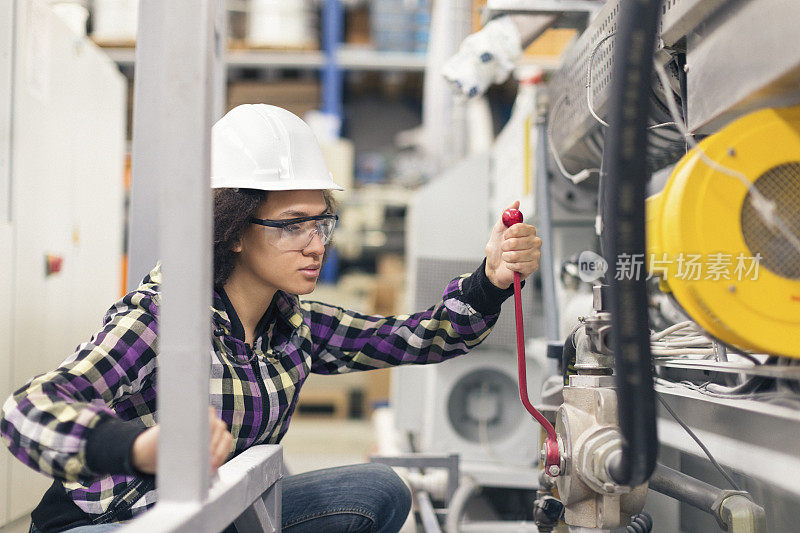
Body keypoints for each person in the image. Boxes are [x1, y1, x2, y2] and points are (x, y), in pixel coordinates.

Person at [1, 104, 543, 533]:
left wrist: (489, 281)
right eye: (291, 225)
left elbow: (419, 338)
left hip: (216, 514)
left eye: (321, 223)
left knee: (381, 490)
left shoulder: (295, 327)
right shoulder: (164, 316)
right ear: (234, 229)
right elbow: (27, 411)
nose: (315, 245)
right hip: (112, 522)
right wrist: (137, 449)